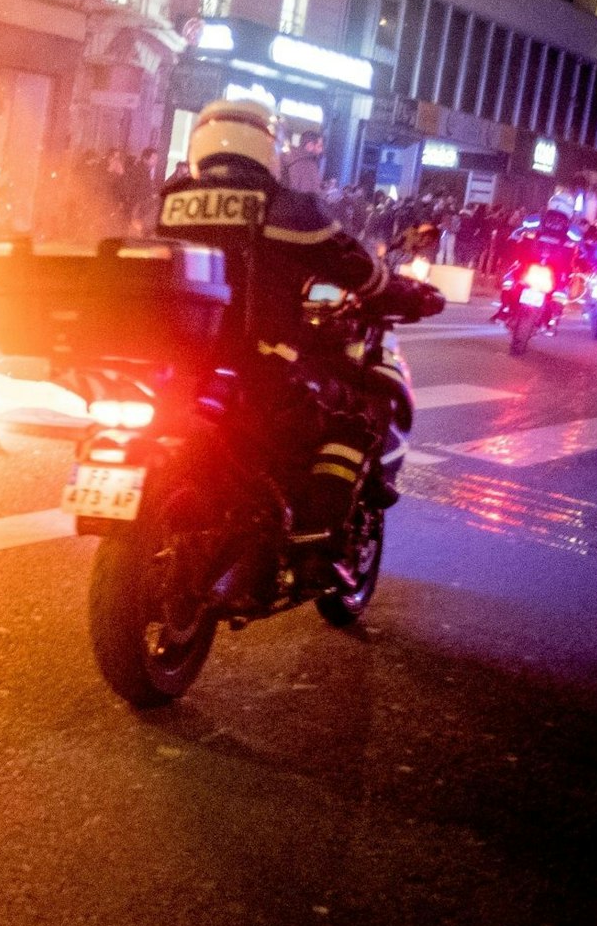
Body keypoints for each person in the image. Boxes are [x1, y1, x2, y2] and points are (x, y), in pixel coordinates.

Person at [153, 99, 416, 594]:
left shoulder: (170, 202)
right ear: (266, 148)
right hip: (260, 368)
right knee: (351, 421)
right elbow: (354, 265)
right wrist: (404, 292)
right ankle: (317, 547)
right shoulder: (286, 208)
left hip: (181, 365)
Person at [282, 129, 325, 194]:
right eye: (319, 146)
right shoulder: (307, 165)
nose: (321, 150)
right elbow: (312, 192)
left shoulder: (290, 157)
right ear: (310, 145)